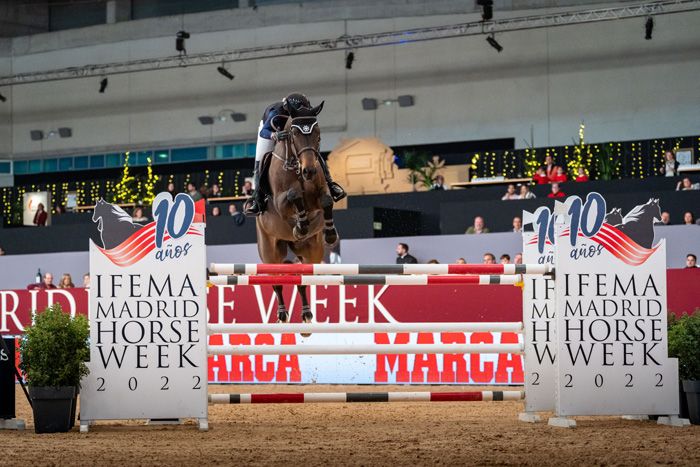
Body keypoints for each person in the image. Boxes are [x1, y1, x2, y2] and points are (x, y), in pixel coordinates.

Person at [245, 93, 346, 215]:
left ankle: (331, 184)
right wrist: (274, 135)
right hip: (270, 130)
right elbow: (264, 132)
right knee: (260, 159)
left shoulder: (305, 110)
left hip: (294, 132)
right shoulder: (276, 113)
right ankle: (258, 199)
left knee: (314, 153)